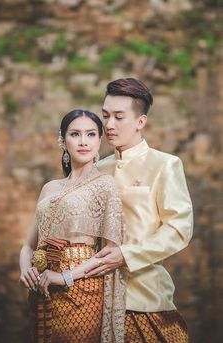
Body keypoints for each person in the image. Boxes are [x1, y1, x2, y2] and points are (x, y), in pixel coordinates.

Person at [85, 78, 193, 342]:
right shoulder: (96, 169)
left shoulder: (165, 165)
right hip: (92, 301)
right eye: (106, 115)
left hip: (146, 299)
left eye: (119, 117)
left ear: (140, 122)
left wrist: (126, 254)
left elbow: (179, 229)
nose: (109, 125)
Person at [19, 109, 126, 343]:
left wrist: (65, 276)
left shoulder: (105, 185)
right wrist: (25, 269)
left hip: (82, 290)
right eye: (75, 134)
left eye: (90, 134)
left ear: (99, 140)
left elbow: (109, 253)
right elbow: (28, 245)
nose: (83, 142)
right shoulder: (50, 188)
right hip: (42, 287)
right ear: (63, 141)